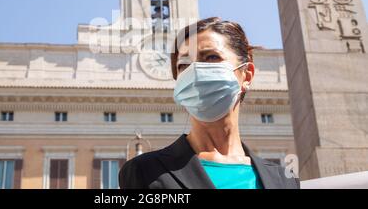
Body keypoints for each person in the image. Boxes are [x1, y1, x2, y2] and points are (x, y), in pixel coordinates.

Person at [119, 17, 300, 189]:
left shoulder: (285, 180)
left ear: (247, 74)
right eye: (183, 65)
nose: (196, 70)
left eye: (211, 57)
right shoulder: (144, 172)